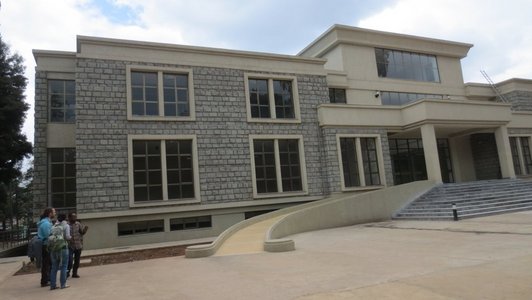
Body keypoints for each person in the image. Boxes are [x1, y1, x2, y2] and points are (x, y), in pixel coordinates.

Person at [49, 214, 71, 290]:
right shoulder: (66, 226)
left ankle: (53, 285)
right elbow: (67, 237)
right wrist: (70, 238)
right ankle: (63, 284)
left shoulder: (53, 226)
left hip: (54, 248)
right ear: (65, 218)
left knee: (54, 267)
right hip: (63, 248)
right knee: (64, 266)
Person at [37, 208, 55, 287]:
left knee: (49, 263)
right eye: (54, 212)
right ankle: (44, 281)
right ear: (50, 213)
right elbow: (48, 236)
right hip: (46, 246)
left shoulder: (47, 222)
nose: (55, 213)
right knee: (46, 264)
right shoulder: (46, 224)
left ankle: (48, 279)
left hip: (47, 245)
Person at [67, 212, 88, 278]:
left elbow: (81, 233)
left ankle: (75, 273)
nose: (75, 218)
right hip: (70, 246)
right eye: (73, 217)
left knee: (77, 260)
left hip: (78, 245)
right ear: (69, 218)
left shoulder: (78, 224)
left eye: (75, 217)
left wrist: (85, 230)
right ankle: (67, 273)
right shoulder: (67, 225)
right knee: (69, 261)